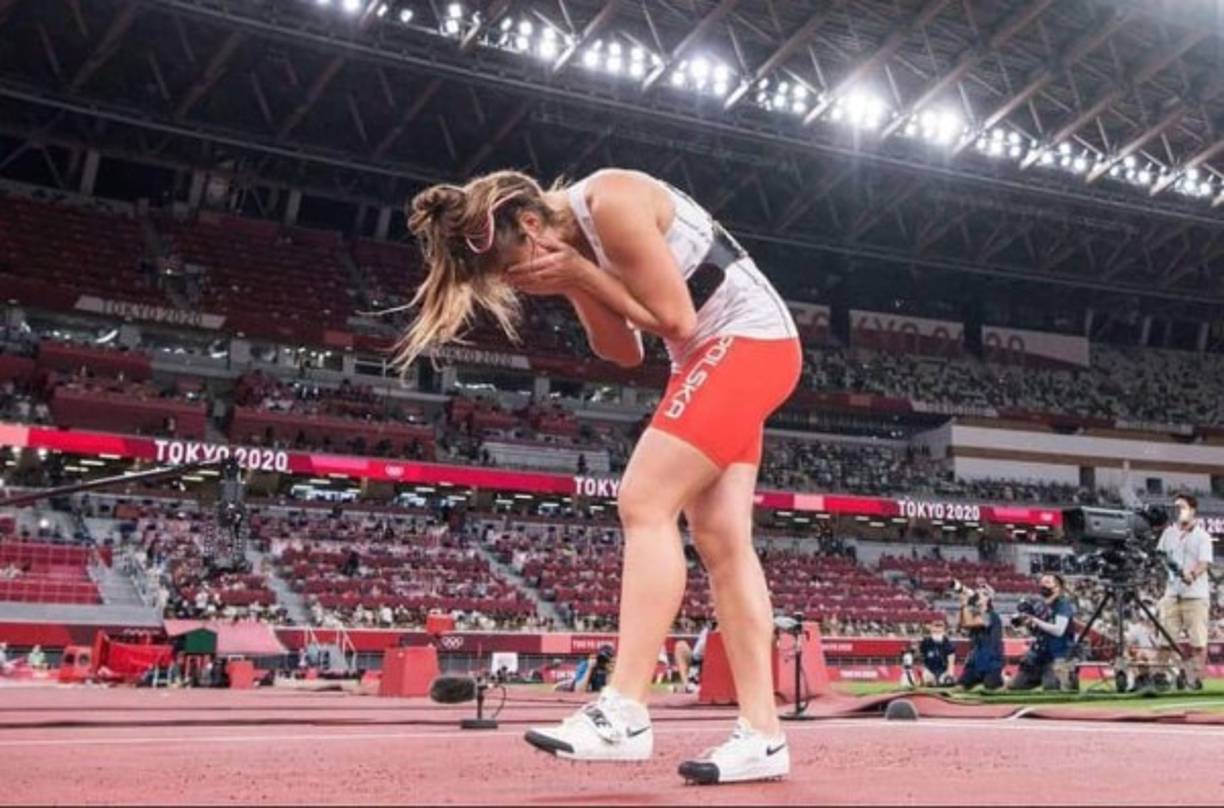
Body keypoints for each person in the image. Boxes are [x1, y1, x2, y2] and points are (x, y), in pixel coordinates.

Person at [397, 168, 800, 784]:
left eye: (512, 269)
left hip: (746, 343)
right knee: (722, 538)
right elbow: (624, 351)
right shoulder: (572, 240)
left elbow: (677, 320)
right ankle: (764, 735)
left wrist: (582, 274)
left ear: (531, 225)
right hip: (715, 356)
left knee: (644, 499)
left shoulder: (611, 200)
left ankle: (625, 709)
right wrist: (578, 283)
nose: (518, 284)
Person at [1156, 493, 1214, 690]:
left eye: (1181, 507)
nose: (1177, 511)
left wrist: (1192, 574)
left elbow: (1204, 563)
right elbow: (1161, 556)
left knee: (1198, 641)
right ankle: (1161, 677)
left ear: (1192, 510)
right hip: (1171, 593)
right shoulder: (1168, 533)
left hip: (1195, 595)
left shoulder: (1202, 536)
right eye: (1176, 507)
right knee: (1165, 638)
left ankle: (1194, 678)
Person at [1009, 574, 1076, 691]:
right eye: (1042, 582)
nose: (1043, 585)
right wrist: (1026, 623)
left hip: (1057, 655)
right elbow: (1036, 631)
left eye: (1048, 582)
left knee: (1052, 688)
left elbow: (1059, 630)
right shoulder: (1040, 605)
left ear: (1057, 587)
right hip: (1038, 655)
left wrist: (1035, 620)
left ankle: (1067, 679)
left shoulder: (1063, 604)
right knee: (1015, 687)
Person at [956, 586, 1004, 691]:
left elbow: (969, 623)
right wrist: (963, 606)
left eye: (981, 594)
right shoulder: (974, 614)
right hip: (975, 662)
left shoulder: (991, 615)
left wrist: (965, 604)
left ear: (988, 599)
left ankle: (1003, 678)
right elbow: (961, 626)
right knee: (959, 687)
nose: (977, 596)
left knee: (989, 687)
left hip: (991, 662)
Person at [918, 621, 956, 687]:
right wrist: (922, 673)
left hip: (943, 670)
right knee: (929, 683)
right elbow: (921, 657)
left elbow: (951, 662)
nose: (937, 634)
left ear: (944, 632)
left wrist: (950, 675)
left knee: (946, 683)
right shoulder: (925, 643)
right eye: (935, 632)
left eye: (939, 632)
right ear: (931, 631)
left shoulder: (949, 644)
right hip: (929, 670)